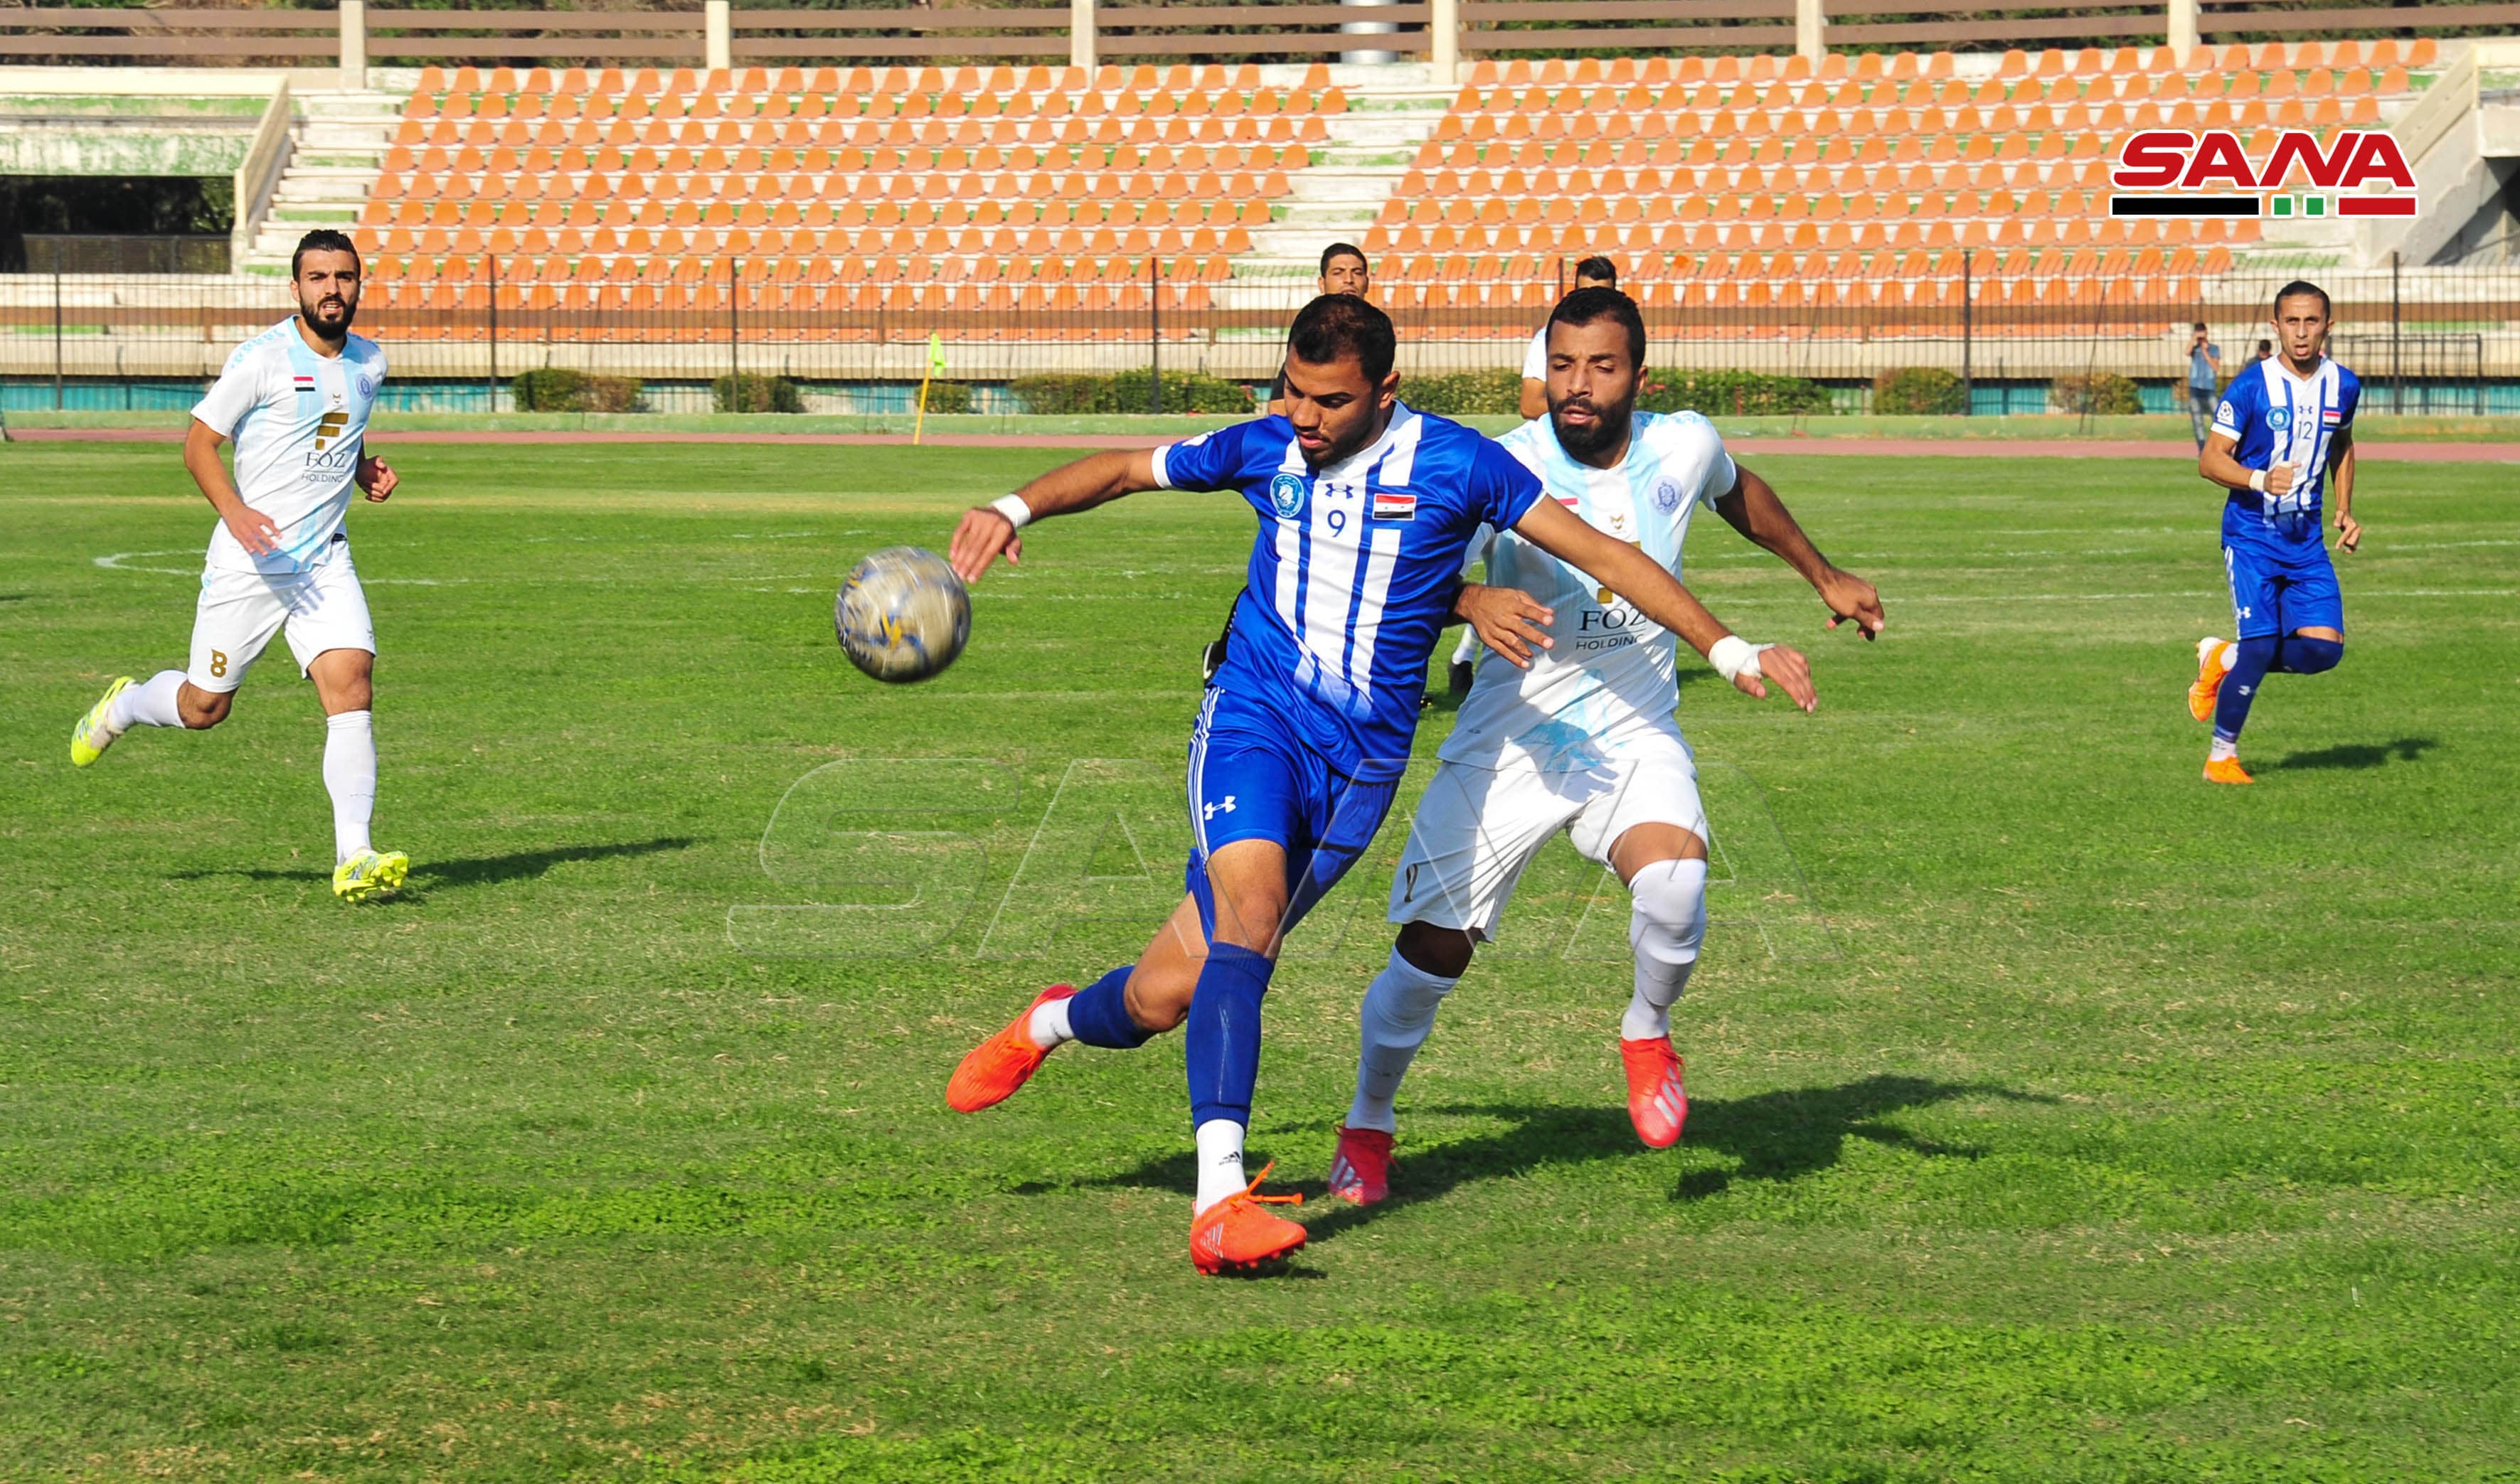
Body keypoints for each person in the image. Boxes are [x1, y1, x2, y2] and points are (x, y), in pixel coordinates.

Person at [939, 294, 1819, 1275]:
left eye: (1328, 400)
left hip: (1358, 765)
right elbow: (1121, 469)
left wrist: (1727, 646)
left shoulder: (1458, 461)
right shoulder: (1263, 445)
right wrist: (1011, 505)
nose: (1302, 417)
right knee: (1251, 923)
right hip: (1254, 716)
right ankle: (1219, 1198)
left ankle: (1049, 1019)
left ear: (1385, 390)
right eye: (1292, 391)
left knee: (1160, 995)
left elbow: (1607, 556)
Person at [1325, 288, 1883, 1203]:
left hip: (1633, 725)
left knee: (1677, 881)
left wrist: (1823, 574)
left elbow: (1738, 492)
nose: (1576, 387)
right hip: (1509, 737)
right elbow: (1409, 566)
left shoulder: (1685, 443)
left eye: (1601, 367)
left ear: (1640, 376)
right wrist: (1469, 602)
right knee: (1429, 958)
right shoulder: (1502, 462)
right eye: (1562, 365)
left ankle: (1645, 1028)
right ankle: (1369, 1119)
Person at [66, 228, 409, 900]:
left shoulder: (370, 362)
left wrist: (362, 467)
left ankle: (355, 855)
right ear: (296, 288)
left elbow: (339, 423)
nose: (332, 290)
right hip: (250, 565)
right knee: (204, 708)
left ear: (358, 285)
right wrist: (237, 512)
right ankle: (128, 705)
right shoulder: (260, 359)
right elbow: (199, 446)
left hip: (322, 562)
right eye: (318, 278)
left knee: (352, 684)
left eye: (343, 277)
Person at [2185, 280, 2361, 786]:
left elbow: (2342, 444)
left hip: (2305, 539)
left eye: (2311, 321)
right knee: (2261, 643)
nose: (2301, 333)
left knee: (2323, 649)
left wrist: (2344, 509)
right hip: (2251, 534)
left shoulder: (2343, 385)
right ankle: (2221, 757)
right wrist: (2259, 479)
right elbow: (2209, 460)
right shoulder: (2250, 386)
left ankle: (2223, 656)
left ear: (2329, 325)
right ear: (2275, 326)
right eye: (2291, 321)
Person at [1203, 244, 1376, 683]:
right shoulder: (1310, 341)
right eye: (1339, 272)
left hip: (1357, 479)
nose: (1349, 280)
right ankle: (1227, 652)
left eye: (1357, 272)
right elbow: (1279, 413)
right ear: (1322, 284)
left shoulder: (1373, 339)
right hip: (1309, 478)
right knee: (1285, 571)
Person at [1519, 257, 1620, 421]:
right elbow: (1529, 406)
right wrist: (1586, 406)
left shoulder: (1622, 340)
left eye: (1601, 296)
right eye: (1585, 295)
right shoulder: (1547, 339)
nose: (1593, 303)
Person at [2186, 321, 2223, 451]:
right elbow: (2186, 352)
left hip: (2209, 387)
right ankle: (2202, 448)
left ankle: (2218, 447)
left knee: (2217, 417)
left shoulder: (2214, 349)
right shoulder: (2194, 349)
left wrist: (2205, 352)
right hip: (2195, 386)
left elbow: (2215, 367)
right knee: (2197, 419)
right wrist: (2194, 339)